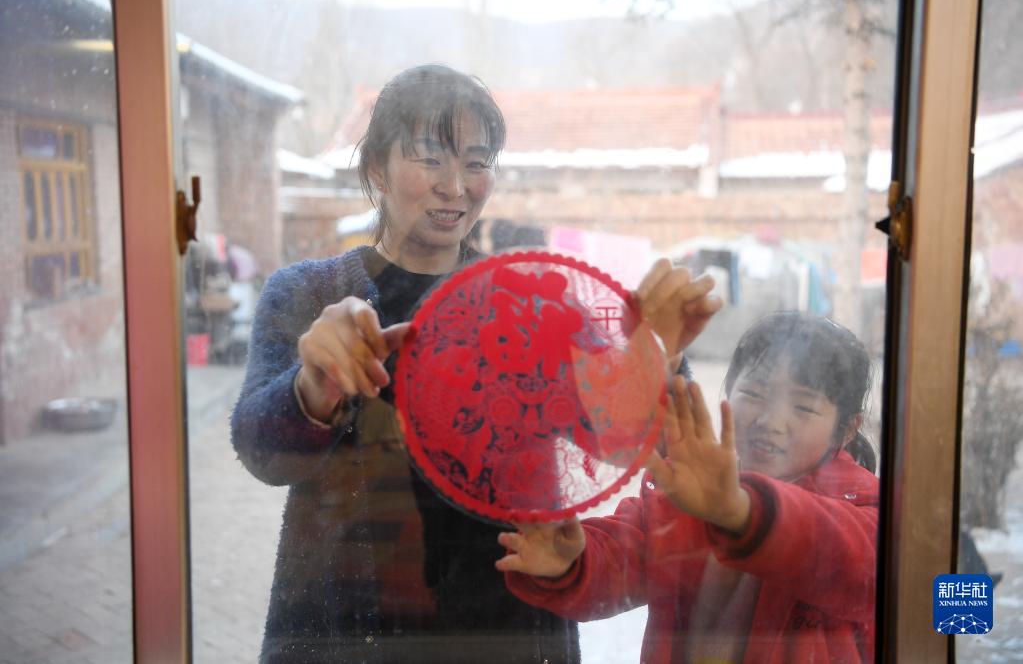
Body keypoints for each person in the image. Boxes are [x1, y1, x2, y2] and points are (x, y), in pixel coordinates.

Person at [231, 63, 721, 664]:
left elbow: (634, 440)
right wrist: (315, 385)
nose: (455, 186)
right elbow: (263, 454)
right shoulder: (308, 294)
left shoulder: (534, 300)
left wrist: (654, 351)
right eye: (429, 159)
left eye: (476, 162)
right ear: (377, 167)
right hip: (345, 626)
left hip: (507, 622)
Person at [498, 312, 879, 664]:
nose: (770, 421)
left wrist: (739, 511)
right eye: (753, 394)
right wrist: (571, 562)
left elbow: (851, 562)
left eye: (803, 407)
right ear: (728, 392)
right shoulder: (688, 491)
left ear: (847, 429)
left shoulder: (868, 507)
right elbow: (621, 559)